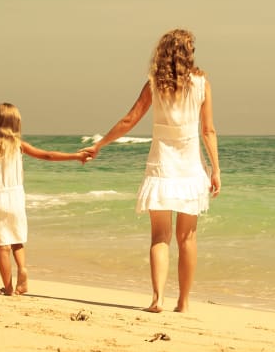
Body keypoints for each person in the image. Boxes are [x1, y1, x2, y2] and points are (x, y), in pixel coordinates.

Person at [82, 28, 220, 313]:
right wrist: (216, 169)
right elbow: (208, 130)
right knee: (188, 238)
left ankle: (157, 299)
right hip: (191, 167)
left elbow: (129, 119)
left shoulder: (154, 85)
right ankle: (183, 302)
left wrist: (100, 144)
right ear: (188, 53)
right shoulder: (202, 84)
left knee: (160, 237)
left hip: (161, 166)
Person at [0, 103, 90, 296]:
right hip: (16, 198)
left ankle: (8, 288)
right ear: (15, 125)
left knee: (3, 245)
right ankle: (22, 268)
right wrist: (75, 156)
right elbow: (47, 155)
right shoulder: (19, 145)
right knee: (17, 239)